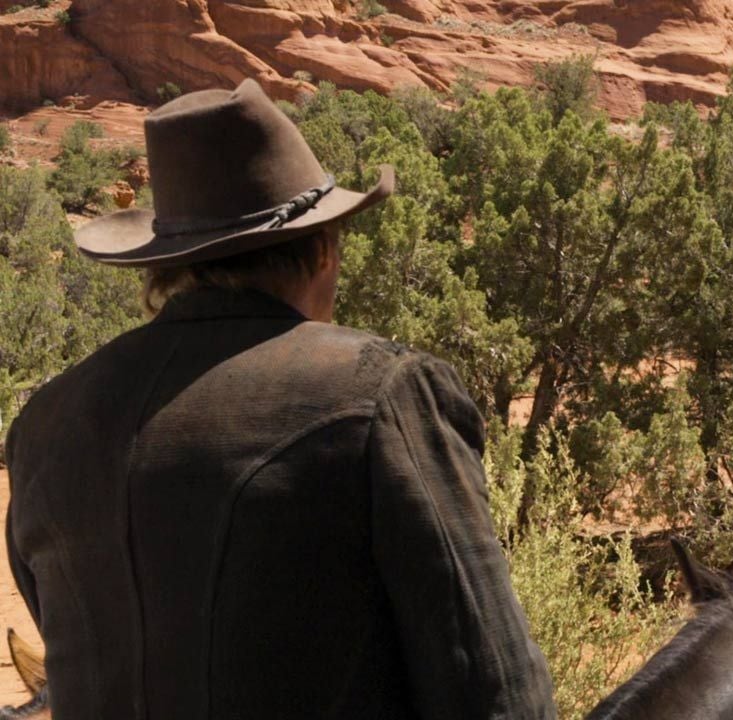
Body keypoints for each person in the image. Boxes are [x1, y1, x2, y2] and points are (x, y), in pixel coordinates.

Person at [3, 80, 555, 719]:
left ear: (165, 268)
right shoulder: (382, 392)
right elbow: (496, 692)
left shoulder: (44, 425)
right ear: (322, 250)